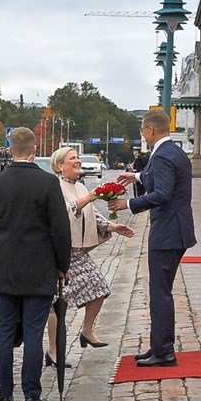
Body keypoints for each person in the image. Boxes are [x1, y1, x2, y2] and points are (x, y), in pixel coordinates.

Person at [0, 128, 71, 401]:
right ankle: (32, 395)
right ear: (34, 149)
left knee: (4, 330)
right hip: (38, 266)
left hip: (4, 266)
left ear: (10, 149)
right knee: (33, 332)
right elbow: (60, 229)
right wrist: (63, 265)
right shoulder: (47, 182)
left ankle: (4, 396)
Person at [112, 111, 196, 367]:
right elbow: (162, 178)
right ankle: (159, 344)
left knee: (160, 293)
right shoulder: (174, 152)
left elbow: (162, 193)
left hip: (168, 232)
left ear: (150, 130)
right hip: (177, 229)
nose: (142, 135)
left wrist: (128, 204)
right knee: (161, 290)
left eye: (142, 131)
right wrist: (137, 176)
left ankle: (164, 351)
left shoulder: (160, 156)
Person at [47, 147, 135, 365]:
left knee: (99, 288)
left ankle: (86, 331)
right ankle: (53, 351)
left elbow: (92, 215)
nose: (78, 160)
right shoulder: (55, 187)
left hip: (78, 251)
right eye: (72, 158)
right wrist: (88, 198)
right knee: (56, 303)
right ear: (60, 165)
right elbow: (63, 212)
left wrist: (113, 226)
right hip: (61, 252)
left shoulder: (79, 185)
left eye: (78, 157)